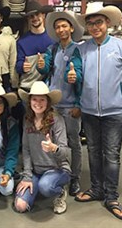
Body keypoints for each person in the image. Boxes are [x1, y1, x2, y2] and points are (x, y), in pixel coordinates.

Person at [71, 2, 122, 221]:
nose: (95, 27)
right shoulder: (81, 49)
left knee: (111, 155)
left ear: (107, 23)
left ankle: (111, 196)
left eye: (98, 22)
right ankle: (96, 189)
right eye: (90, 23)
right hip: (90, 111)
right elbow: (77, 75)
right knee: (93, 151)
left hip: (115, 112)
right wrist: (72, 77)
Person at [36, 10, 84, 196]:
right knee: (54, 143)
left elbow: (79, 73)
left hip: (70, 106)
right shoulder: (52, 49)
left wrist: (79, 103)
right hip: (54, 106)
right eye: (58, 27)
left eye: (64, 26)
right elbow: (46, 67)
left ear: (71, 28)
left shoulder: (78, 49)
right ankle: (59, 175)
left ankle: (75, 178)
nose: (61, 29)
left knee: (74, 143)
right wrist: (41, 64)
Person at [13, 81, 71, 214]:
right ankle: (38, 186)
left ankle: (60, 192)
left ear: (48, 101)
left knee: (45, 186)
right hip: (36, 171)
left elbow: (65, 152)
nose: (38, 103)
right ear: (29, 101)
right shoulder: (27, 120)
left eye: (42, 99)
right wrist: (27, 175)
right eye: (34, 99)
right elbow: (26, 149)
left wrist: (53, 148)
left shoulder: (57, 120)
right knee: (20, 206)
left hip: (57, 169)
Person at [15, 1, 54, 92]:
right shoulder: (22, 42)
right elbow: (18, 65)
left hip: (47, 88)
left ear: (43, 15)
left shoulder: (53, 39)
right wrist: (22, 66)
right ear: (28, 19)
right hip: (27, 87)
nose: (35, 18)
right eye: (31, 16)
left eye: (37, 14)